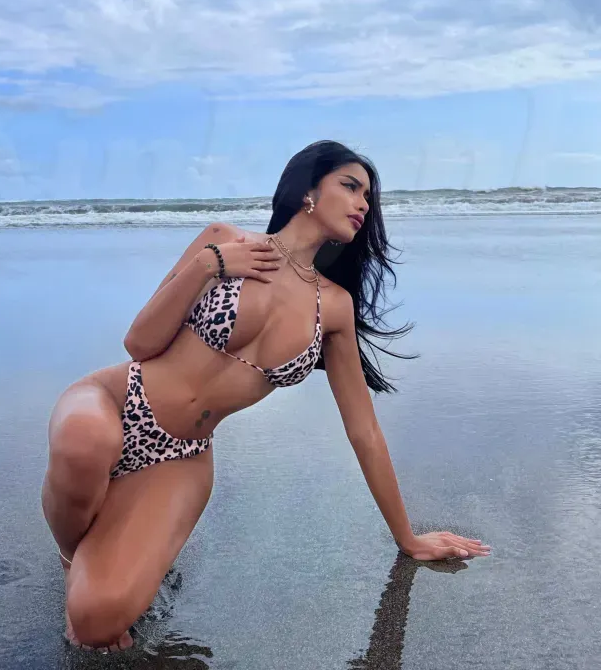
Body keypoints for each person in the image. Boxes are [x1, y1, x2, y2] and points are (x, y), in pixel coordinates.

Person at [41, 140, 490, 653]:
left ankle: (103, 564)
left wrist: (408, 538)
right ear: (307, 191)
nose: (363, 204)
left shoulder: (334, 307)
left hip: (181, 455)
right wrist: (209, 265)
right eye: (350, 186)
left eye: (369, 197)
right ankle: (73, 558)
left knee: (96, 625)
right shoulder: (223, 241)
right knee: (84, 442)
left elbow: (363, 430)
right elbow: (139, 343)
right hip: (116, 400)